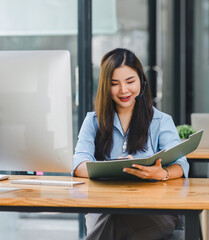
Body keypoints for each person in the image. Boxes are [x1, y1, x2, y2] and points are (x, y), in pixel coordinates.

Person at [73, 48, 189, 240]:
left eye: (130, 81)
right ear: (105, 87)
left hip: (154, 210)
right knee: (114, 213)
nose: (124, 90)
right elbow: (79, 164)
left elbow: (180, 163)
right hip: (104, 206)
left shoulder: (161, 121)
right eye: (114, 84)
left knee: (117, 217)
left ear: (141, 82)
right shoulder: (92, 121)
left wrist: (163, 173)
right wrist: (112, 170)